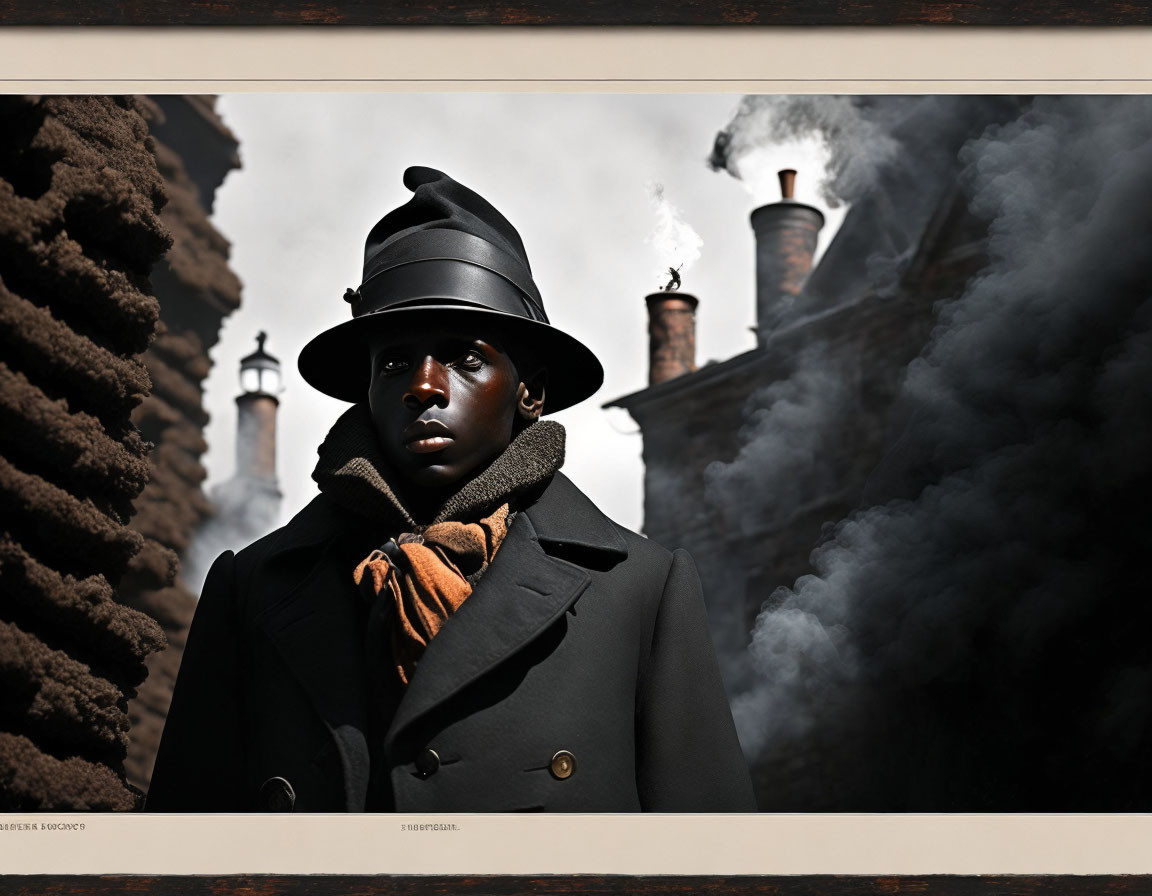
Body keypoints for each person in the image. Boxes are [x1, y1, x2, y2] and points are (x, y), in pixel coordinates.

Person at [146, 166, 755, 812]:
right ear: (368, 389)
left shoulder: (639, 596)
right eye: (395, 362)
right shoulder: (255, 593)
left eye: (465, 358)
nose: (425, 386)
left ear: (531, 391)